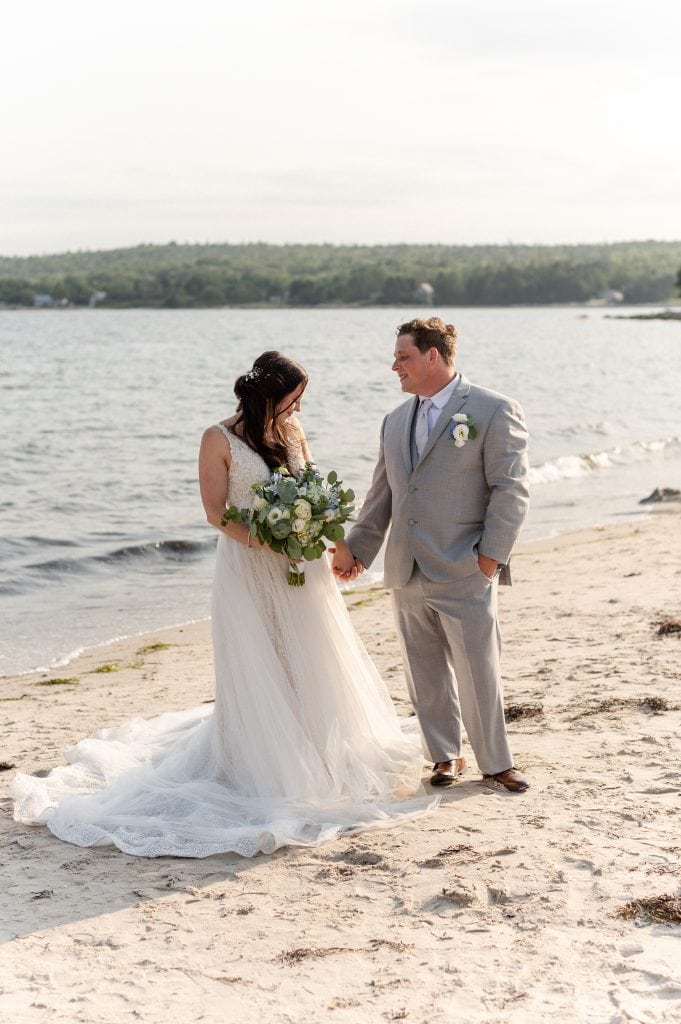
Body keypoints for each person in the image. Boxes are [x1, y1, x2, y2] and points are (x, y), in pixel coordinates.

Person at [12, 351, 436, 858]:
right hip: (249, 566)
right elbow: (216, 515)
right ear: (269, 394)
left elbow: (314, 493)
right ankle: (263, 761)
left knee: (311, 655)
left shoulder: (294, 434)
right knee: (260, 659)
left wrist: (331, 541)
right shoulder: (218, 438)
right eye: (293, 399)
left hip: (301, 564)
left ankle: (318, 751)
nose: (299, 409)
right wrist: (269, 542)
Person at [332, 318, 531, 792]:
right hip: (406, 567)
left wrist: (490, 557)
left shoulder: (492, 409)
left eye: (402, 356)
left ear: (432, 357)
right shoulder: (394, 421)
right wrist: (357, 551)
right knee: (423, 671)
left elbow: (511, 490)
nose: (394, 365)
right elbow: (382, 496)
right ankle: (444, 756)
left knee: (478, 667)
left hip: (465, 564)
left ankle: (496, 762)